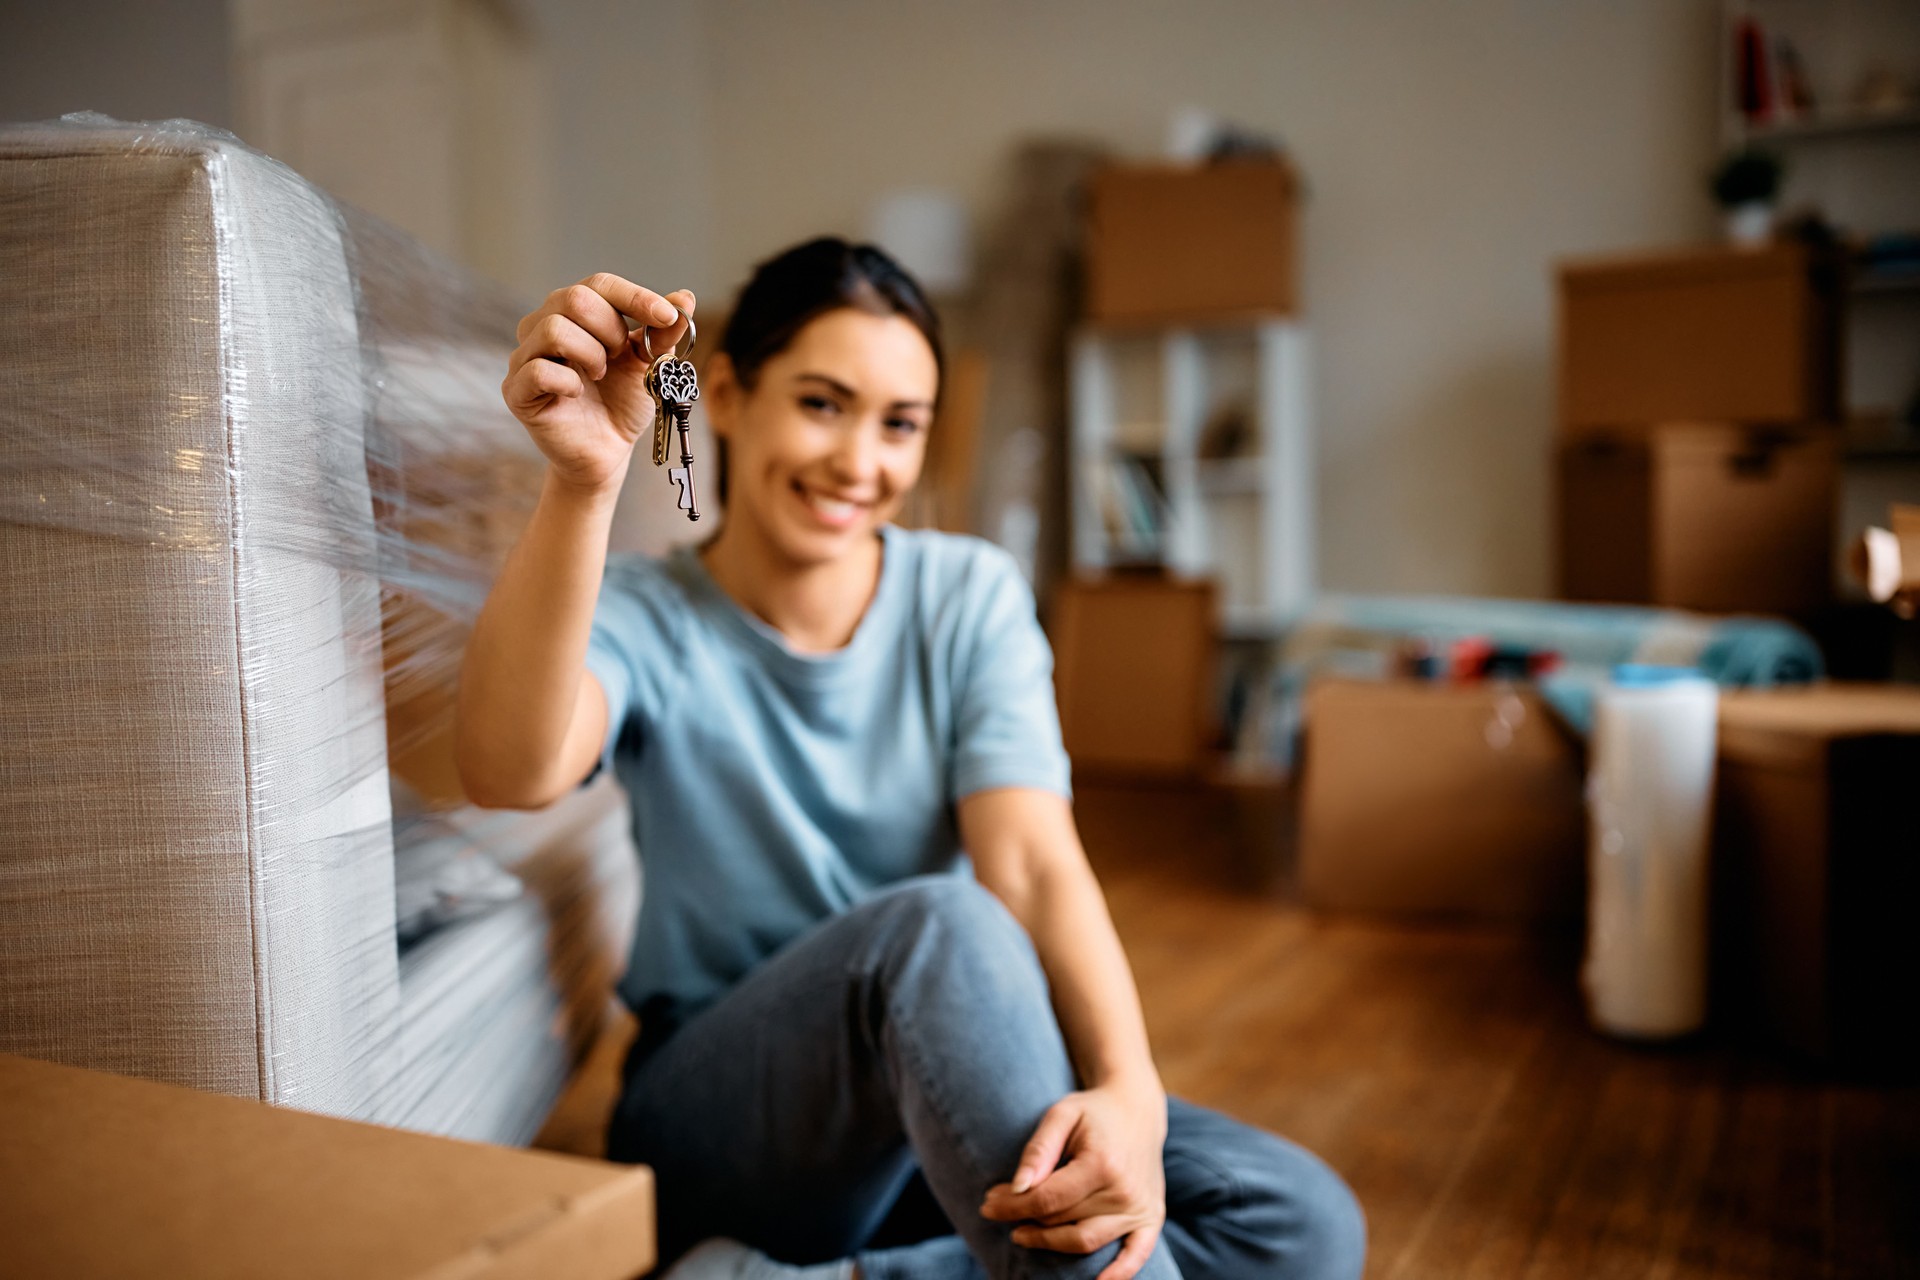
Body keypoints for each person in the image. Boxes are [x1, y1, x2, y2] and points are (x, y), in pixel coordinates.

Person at [454, 238, 1365, 1280]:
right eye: (823, 403)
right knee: (937, 924)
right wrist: (584, 483)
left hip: (936, 1091)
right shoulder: (649, 615)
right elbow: (508, 771)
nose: (860, 462)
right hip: (727, 1127)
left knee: (1297, 1221)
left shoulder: (966, 595)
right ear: (729, 395)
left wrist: (1128, 1089)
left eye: (900, 425)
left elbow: (1032, 861)